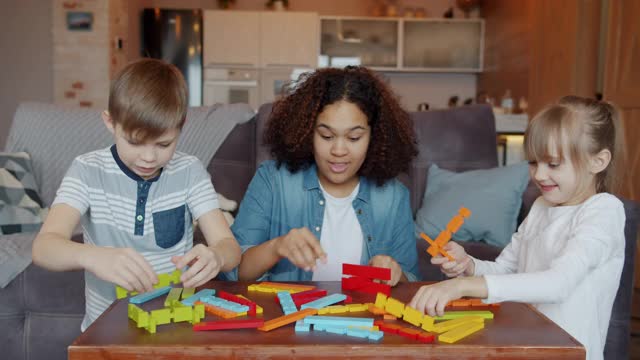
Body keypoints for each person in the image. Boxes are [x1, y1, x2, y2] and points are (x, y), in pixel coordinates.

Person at [409, 95, 625, 360]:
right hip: (527, 348)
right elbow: (506, 270)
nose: (539, 175)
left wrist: (462, 286)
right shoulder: (542, 206)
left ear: (598, 161)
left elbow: (559, 283)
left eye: (553, 164)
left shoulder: (604, 211)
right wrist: (469, 266)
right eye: (533, 162)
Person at [32, 58, 241, 331]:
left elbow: (230, 247)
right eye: (134, 141)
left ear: (181, 126)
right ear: (110, 122)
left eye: (164, 144)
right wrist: (93, 256)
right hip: (105, 333)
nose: (149, 157)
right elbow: (44, 247)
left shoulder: (189, 171)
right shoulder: (87, 170)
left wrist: (217, 256)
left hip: (174, 330)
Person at [229, 66, 420, 284]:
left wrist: (396, 274)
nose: (339, 151)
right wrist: (276, 247)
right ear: (308, 132)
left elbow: (411, 282)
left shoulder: (394, 197)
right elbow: (234, 272)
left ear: (374, 137)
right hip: (290, 317)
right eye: (326, 136)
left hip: (364, 317)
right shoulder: (272, 180)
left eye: (354, 138)